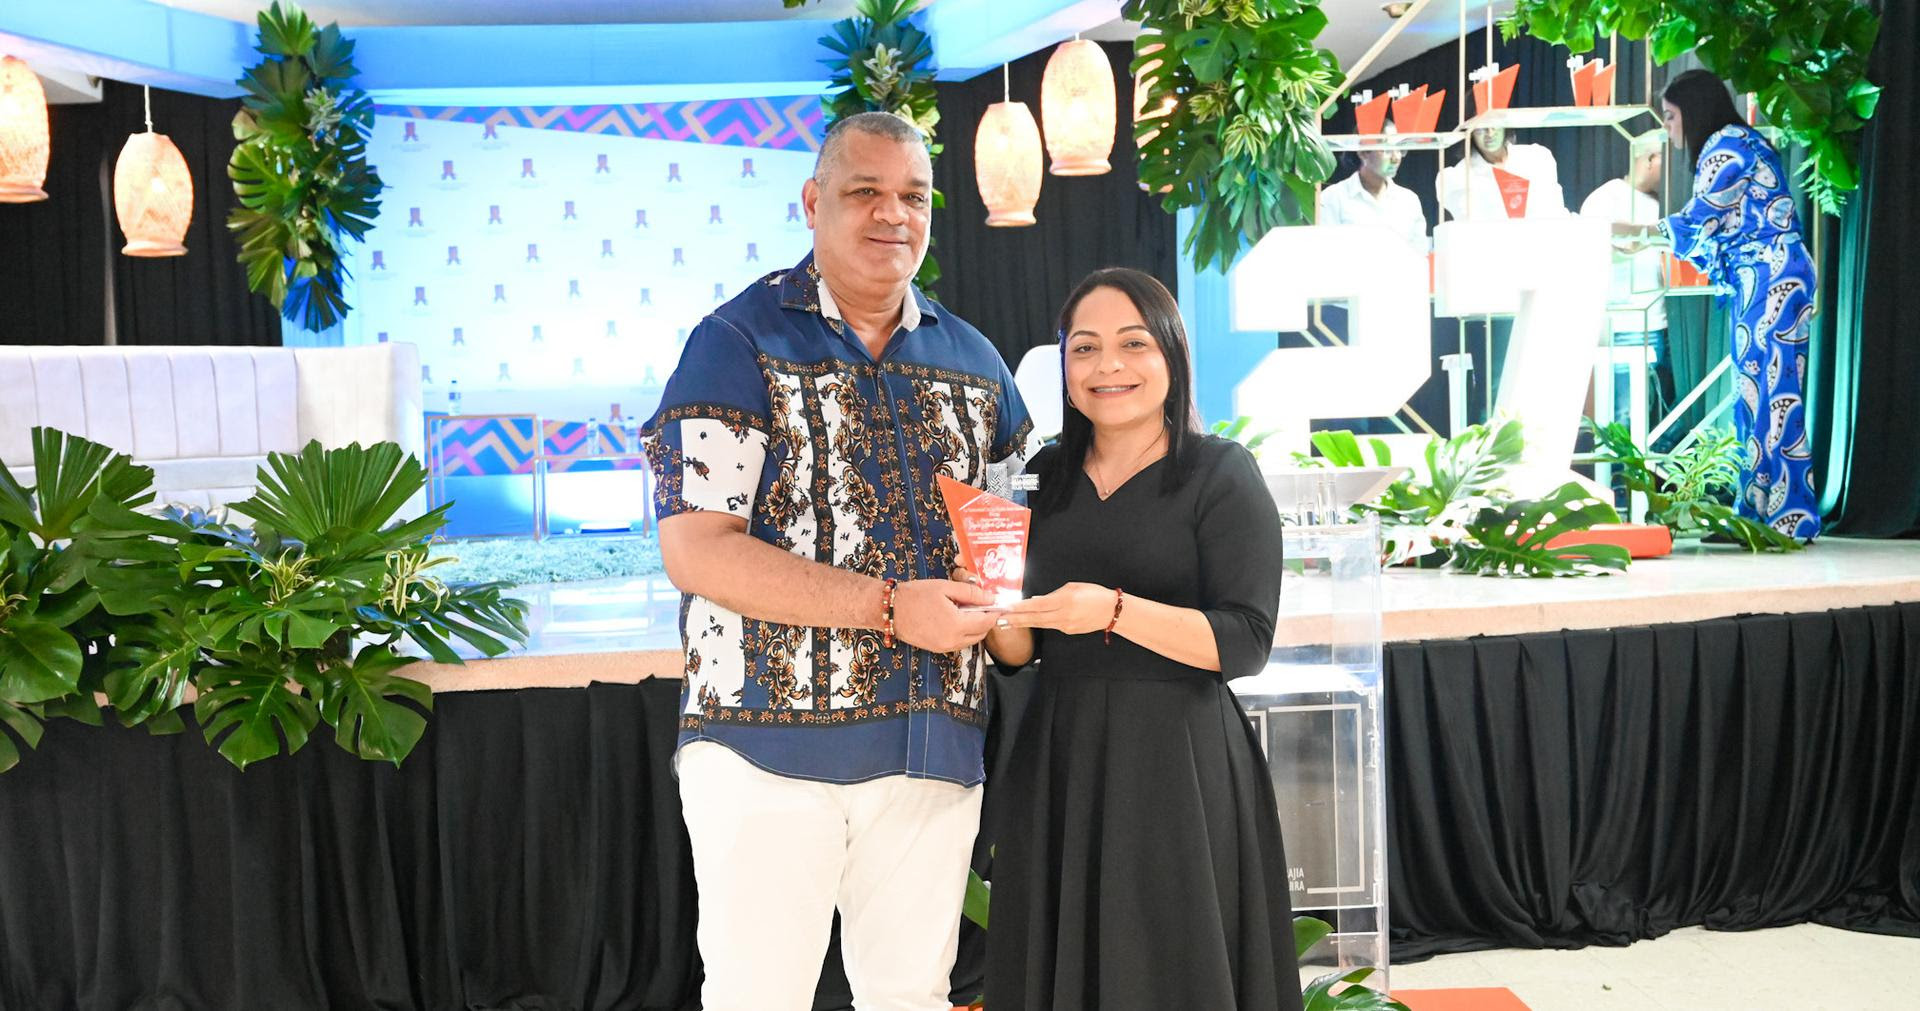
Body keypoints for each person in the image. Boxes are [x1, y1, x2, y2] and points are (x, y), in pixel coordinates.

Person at [642, 110, 1032, 1011]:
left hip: (932, 746)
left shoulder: (978, 366)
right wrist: (892, 605)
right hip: (760, 749)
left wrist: (1015, 621)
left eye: (913, 196)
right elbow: (696, 549)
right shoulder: (735, 343)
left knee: (912, 998)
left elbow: (1009, 546)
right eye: (865, 192)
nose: (892, 214)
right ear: (813, 202)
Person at [979, 268, 1302, 1010]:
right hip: (1059, 752)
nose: (1108, 367)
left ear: (1171, 353)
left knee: (1173, 962)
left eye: (1132, 344)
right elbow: (1018, 652)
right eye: (1084, 348)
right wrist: (995, 604)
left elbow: (1246, 640)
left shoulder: (1220, 472)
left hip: (1178, 763)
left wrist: (1114, 610)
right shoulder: (1041, 475)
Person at [1657, 70, 1821, 540]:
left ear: (1694, 111)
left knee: (1772, 395)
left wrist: (1640, 234)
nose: (1669, 128)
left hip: (1771, 277)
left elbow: (1700, 219)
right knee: (1761, 394)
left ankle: (1786, 519)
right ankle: (1762, 512)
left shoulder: (1727, 146)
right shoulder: (1736, 141)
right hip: (1767, 275)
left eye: (1671, 117)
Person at [1581, 129, 1675, 430]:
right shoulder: (1606, 198)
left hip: (1663, 322)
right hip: (1624, 323)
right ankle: (1620, 478)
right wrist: (1645, 234)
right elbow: (1595, 239)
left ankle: (1646, 476)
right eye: (1667, 159)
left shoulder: (1667, 201)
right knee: (1623, 414)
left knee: (1656, 414)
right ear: (1649, 159)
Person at [1318, 129, 1429, 254]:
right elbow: (1326, 252)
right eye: (1387, 150)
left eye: (1398, 149)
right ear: (1363, 153)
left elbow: (1420, 254)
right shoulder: (1333, 198)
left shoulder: (1409, 200)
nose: (1395, 158)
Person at [1436, 125, 1569, 221]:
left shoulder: (1537, 158)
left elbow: (1554, 211)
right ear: (1469, 130)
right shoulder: (1457, 177)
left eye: (1495, 123)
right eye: (1481, 127)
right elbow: (1471, 229)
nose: (1490, 132)